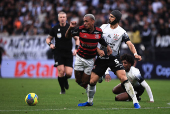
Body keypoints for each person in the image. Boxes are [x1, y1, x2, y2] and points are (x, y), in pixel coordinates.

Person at [78, 10, 142, 109]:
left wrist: (135, 54)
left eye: (111, 17)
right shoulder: (103, 27)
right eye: (110, 16)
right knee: (92, 81)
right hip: (101, 57)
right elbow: (93, 39)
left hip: (114, 58)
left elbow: (129, 44)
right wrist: (98, 50)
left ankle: (135, 102)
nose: (109, 18)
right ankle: (89, 102)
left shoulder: (121, 32)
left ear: (116, 19)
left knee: (123, 78)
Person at [65, 14, 112, 102]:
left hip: (90, 60)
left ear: (92, 22)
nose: (85, 23)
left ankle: (96, 76)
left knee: (85, 81)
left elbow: (101, 39)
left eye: (87, 21)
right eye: (84, 21)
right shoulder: (80, 29)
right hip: (79, 57)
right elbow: (67, 36)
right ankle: (90, 85)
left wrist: (107, 46)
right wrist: (70, 28)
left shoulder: (99, 31)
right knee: (78, 80)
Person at [46, 12, 79, 94]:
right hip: (58, 53)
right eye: (61, 17)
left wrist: (76, 48)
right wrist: (50, 44)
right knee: (61, 71)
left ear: (66, 18)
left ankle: (65, 80)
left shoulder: (70, 28)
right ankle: (62, 90)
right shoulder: (54, 28)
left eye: (64, 17)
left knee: (69, 74)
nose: (62, 18)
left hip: (68, 53)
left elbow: (77, 38)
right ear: (58, 19)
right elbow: (48, 39)